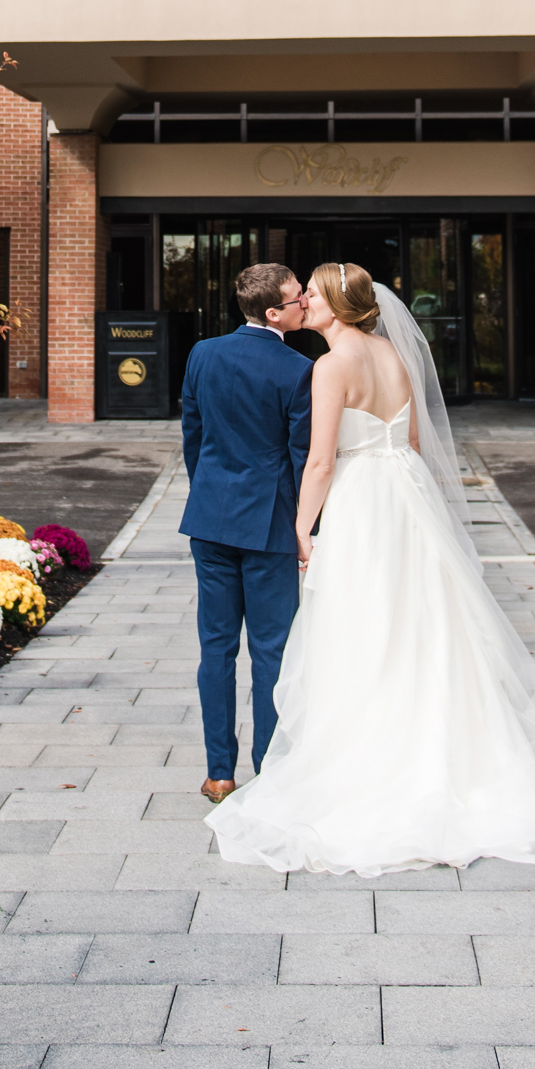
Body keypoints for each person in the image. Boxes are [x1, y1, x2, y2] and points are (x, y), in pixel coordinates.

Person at [209, 261, 535, 876]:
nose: (302, 301)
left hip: (362, 498)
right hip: (407, 495)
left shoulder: (331, 367)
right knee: (426, 620)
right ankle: (447, 750)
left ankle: (373, 761)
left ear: (335, 303)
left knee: (362, 624)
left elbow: (320, 462)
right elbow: (412, 440)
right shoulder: (393, 353)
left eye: (311, 293)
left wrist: (302, 528)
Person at [179, 261, 314, 804]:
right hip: (269, 524)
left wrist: (210, 489)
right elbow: (302, 457)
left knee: (215, 648)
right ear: (273, 312)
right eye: (298, 296)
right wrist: (308, 528)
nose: (306, 301)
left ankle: (219, 773)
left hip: (210, 516)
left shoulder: (201, 354)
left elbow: (193, 432)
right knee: (271, 651)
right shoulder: (298, 368)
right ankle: (269, 769)